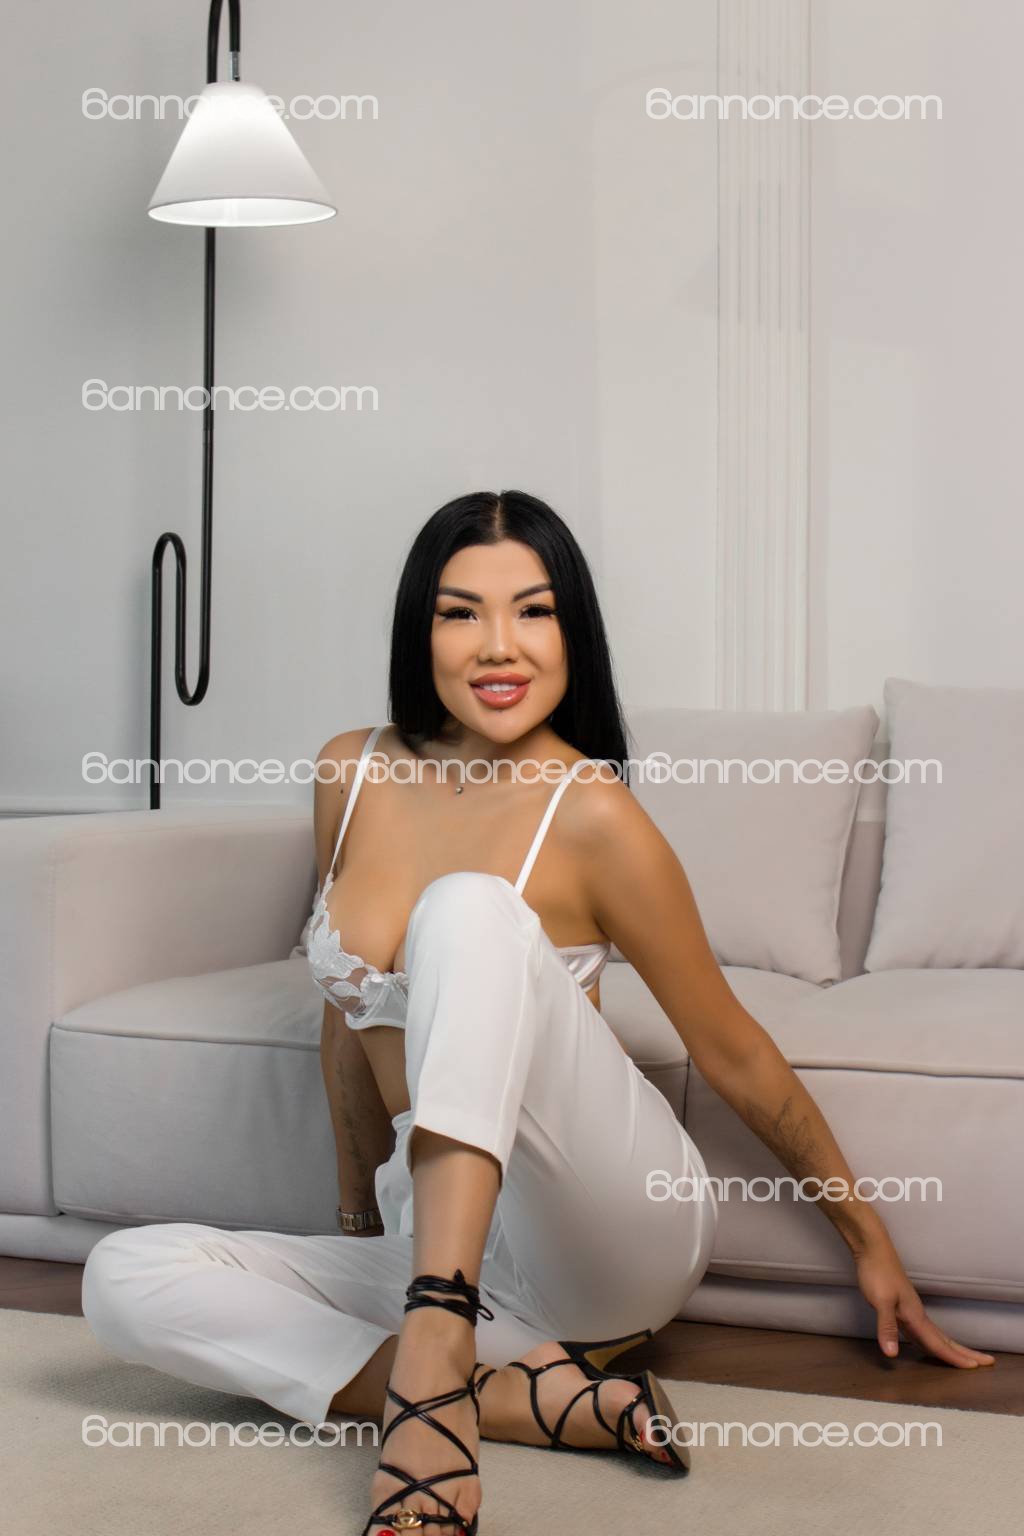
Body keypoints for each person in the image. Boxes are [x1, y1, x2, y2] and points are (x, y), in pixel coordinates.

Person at [82, 489, 994, 1536]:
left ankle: (436, 1363)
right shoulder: (350, 770)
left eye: (534, 611)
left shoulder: (595, 812)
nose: (497, 646)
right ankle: (522, 1396)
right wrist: (358, 1220)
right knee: (126, 1278)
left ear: (574, 635)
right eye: (460, 612)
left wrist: (867, 1238)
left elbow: (732, 1049)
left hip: (600, 1234)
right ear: (419, 628)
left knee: (466, 907)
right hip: (443, 1238)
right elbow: (345, 1025)